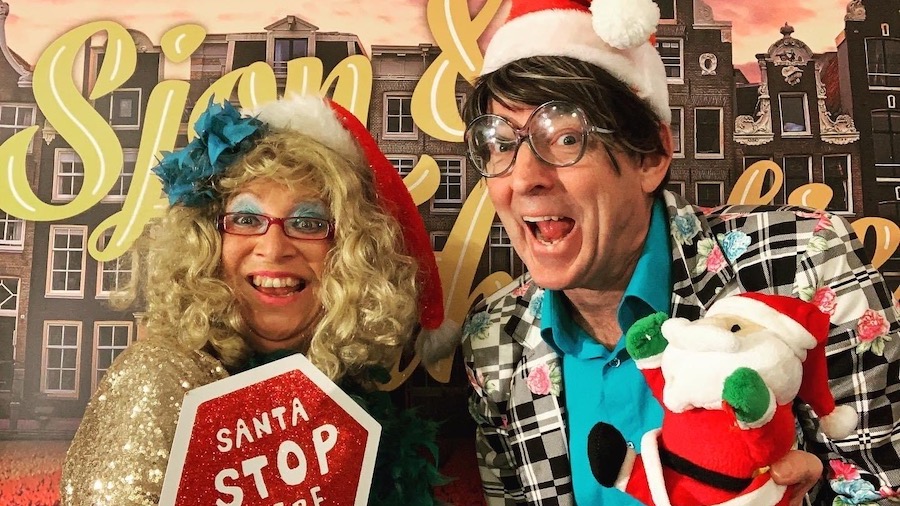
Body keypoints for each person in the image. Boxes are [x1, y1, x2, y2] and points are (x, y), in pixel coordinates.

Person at [460, 0, 900, 504]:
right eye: (499, 144)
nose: (522, 178)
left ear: (650, 156)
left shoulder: (804, 262)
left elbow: (883, 485)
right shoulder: (493, 339)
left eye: (564, 138)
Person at [59, 95, 450, 505]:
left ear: (350, 251)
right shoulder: (160, 378)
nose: (274, 248)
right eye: (246, 219)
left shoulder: (357, 405)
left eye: (307, 222)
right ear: (207, 243)